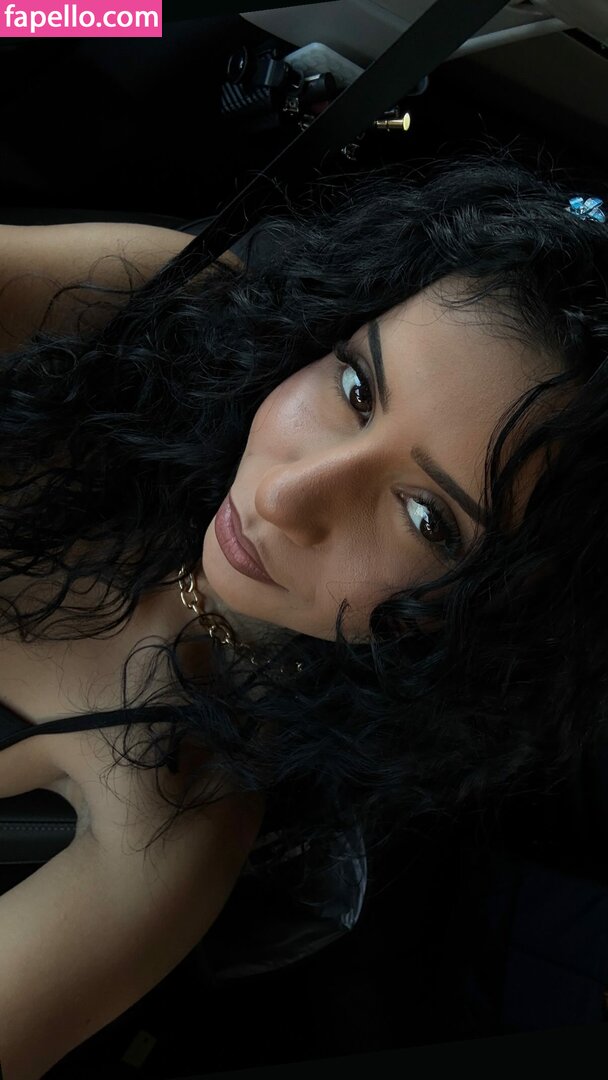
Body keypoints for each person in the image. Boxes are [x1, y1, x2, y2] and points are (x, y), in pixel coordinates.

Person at [0, 145, 607, 1075]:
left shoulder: (175, 818)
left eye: (426, 518)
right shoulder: (162, 313)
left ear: (483, 620)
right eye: (356, 389)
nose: (288, 496)